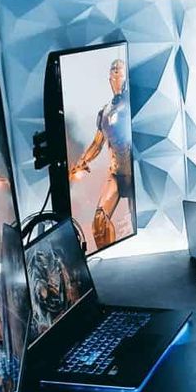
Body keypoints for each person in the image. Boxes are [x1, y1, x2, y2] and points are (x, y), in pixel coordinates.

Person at [70, 58, 135, 250]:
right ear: (109, 77)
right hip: (116, 173)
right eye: (113, 69)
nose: (116, 72)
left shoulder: (133, 104)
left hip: (134, 173)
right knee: (99, 223)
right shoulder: (105, 112)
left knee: (136, 221)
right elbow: (97, 143)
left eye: (120, 69)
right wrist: (82, 161)